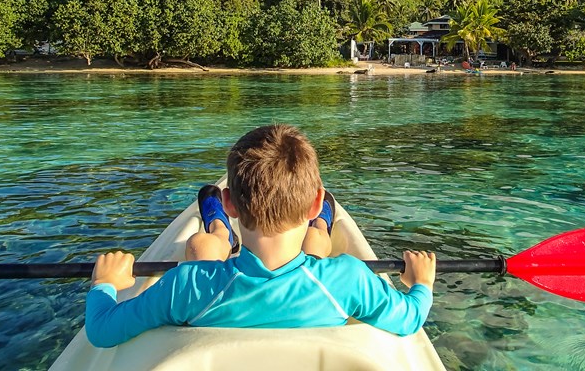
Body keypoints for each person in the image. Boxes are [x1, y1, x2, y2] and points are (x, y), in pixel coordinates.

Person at [85, 124, 436, 348]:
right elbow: (409, 318)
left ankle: (219, 225)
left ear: (231, 202)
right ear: (314, 201)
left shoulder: (187, 285)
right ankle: (321, 224)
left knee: (202, 248)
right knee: (316, 249)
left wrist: (105, 283)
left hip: (216, 275)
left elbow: (101, 330)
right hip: (313, 261)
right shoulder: (348, 278)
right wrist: (421, 282)